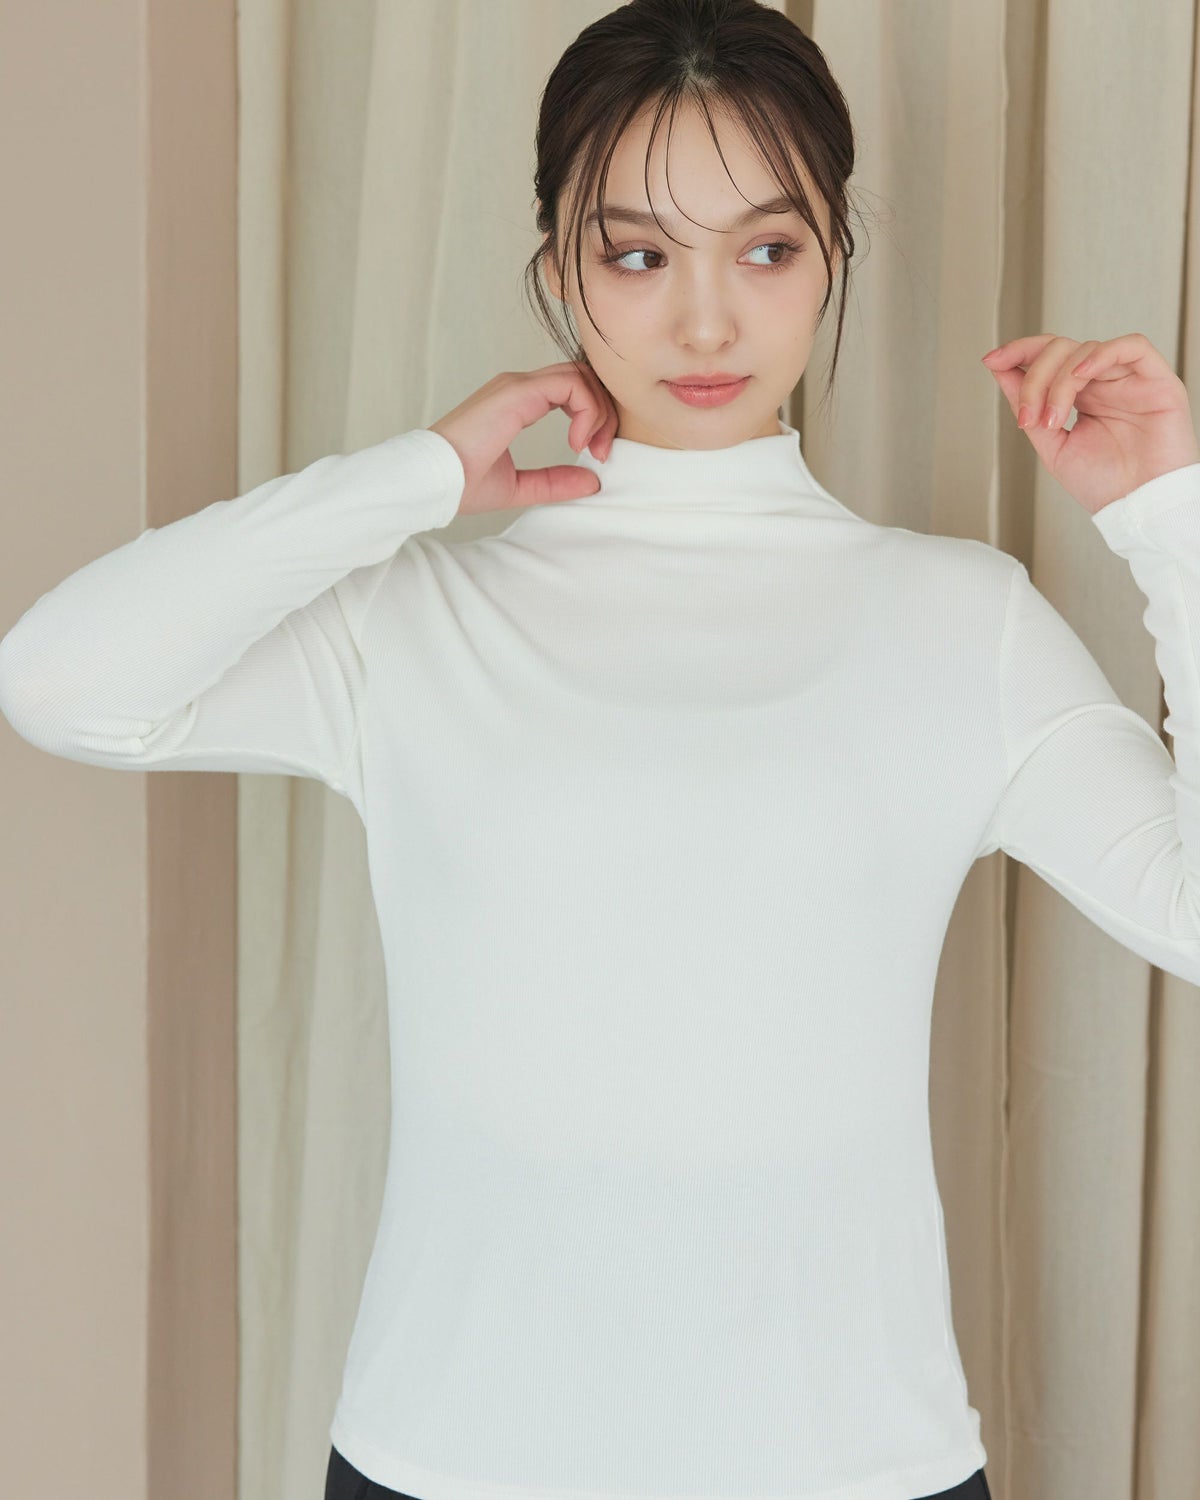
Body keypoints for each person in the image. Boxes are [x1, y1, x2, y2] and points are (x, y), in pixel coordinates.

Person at [1, 2, 1197, 1499]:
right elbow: (63, 683)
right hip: (451, 1457)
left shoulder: (963, 622)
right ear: (559, 264)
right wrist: (421, 474)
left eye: (767, 250)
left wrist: (1167, 514)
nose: (705, 325)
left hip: (852, 1464)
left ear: (834, 257)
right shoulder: (419, 616)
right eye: (637, 255)